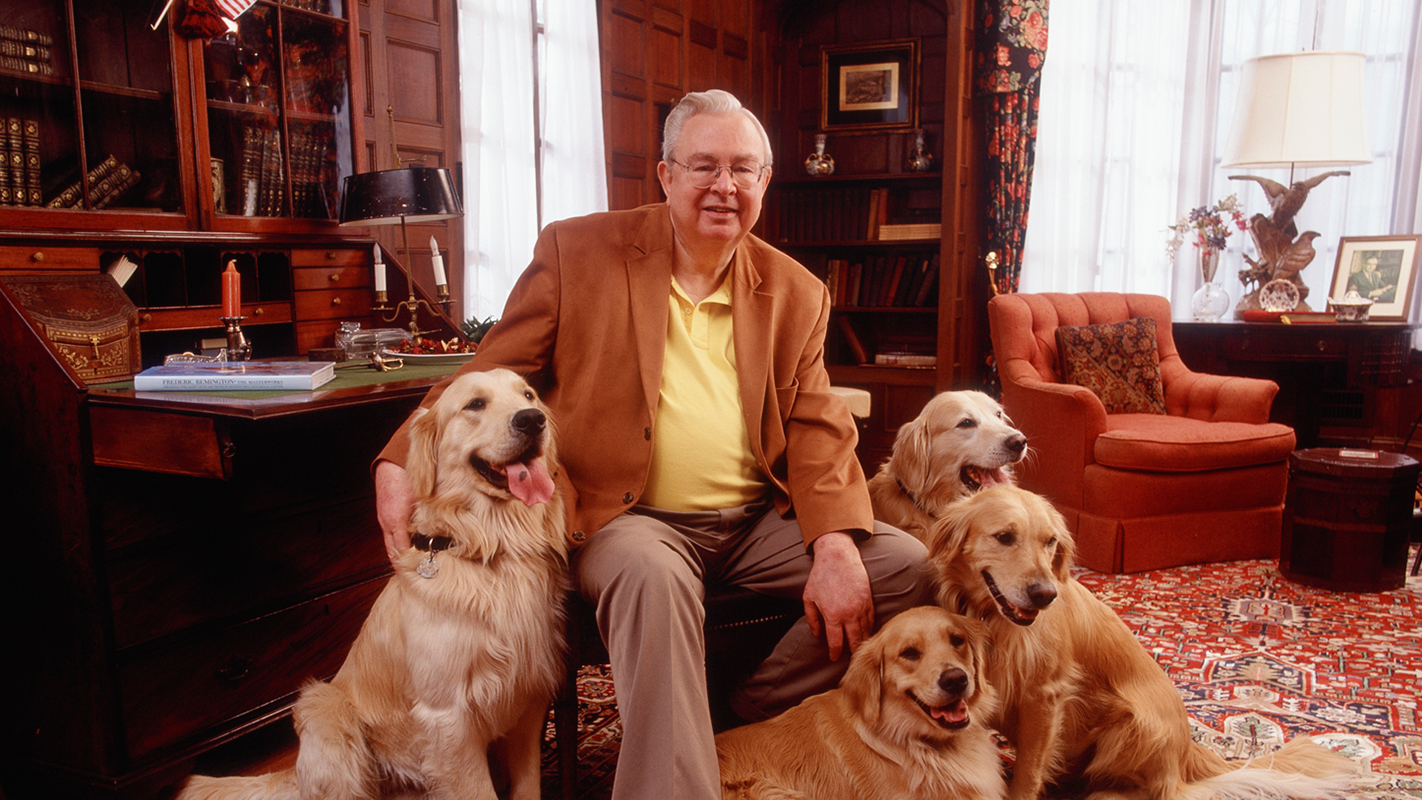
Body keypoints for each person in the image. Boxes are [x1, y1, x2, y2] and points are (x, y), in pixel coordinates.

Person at [372, 89, 932, 799]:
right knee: (653, 577)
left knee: (905, 566)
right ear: (666, 175)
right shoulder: (578, 252)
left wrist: (834, 545)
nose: (724, 186)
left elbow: (818, 428)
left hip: (757, 520)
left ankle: (740, 708)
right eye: (703, 166)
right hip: (626, 517)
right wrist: (399, 457)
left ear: (764, 182)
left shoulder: (797, 292)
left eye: (744, 169)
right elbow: (493, 367)